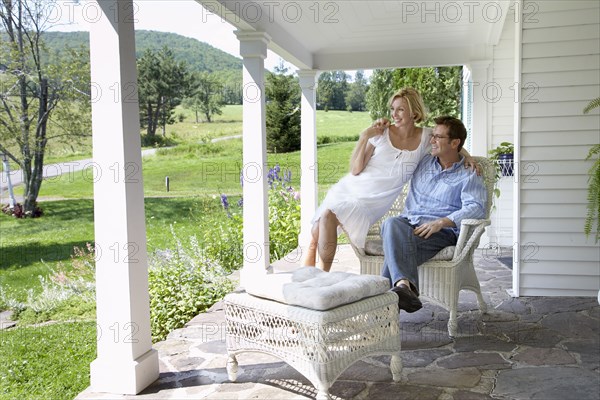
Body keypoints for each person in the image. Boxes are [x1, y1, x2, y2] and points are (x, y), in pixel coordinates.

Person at [302, 88, 476, 272]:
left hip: (373, 201)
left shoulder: (426, 136)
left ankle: (321, 276)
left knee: (328, 217)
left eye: (400, 109)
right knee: (317, 232)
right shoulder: (381, 132)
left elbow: (449, 142)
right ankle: (309, 277)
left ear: (414, 112)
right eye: (393, 109)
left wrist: (469, 158)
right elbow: (355, 169)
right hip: (352, 189)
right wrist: (364, 137)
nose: (394, 114)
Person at [381, 116, 487, 313]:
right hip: (408, 226)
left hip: (440, 234)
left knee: (394, 246)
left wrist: (442, 222)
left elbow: (476, 208)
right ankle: (404, 286)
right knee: (392, 224)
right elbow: (400, 142)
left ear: (455, 143)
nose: (432, 140)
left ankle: (383, 318)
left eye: (438, 137)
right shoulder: (422, 161)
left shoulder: (469, 173)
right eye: (433, 136)